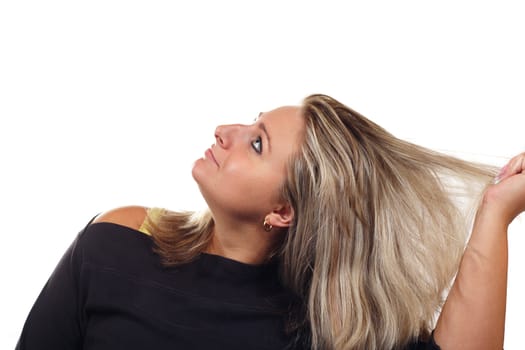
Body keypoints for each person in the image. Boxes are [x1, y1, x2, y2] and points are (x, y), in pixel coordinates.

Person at [16, 94, 524, 349]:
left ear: (283, 212)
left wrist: (495, 214)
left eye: (257, 144)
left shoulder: (323, 331)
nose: (225, 131)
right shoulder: (118, 240)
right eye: (250, 123)